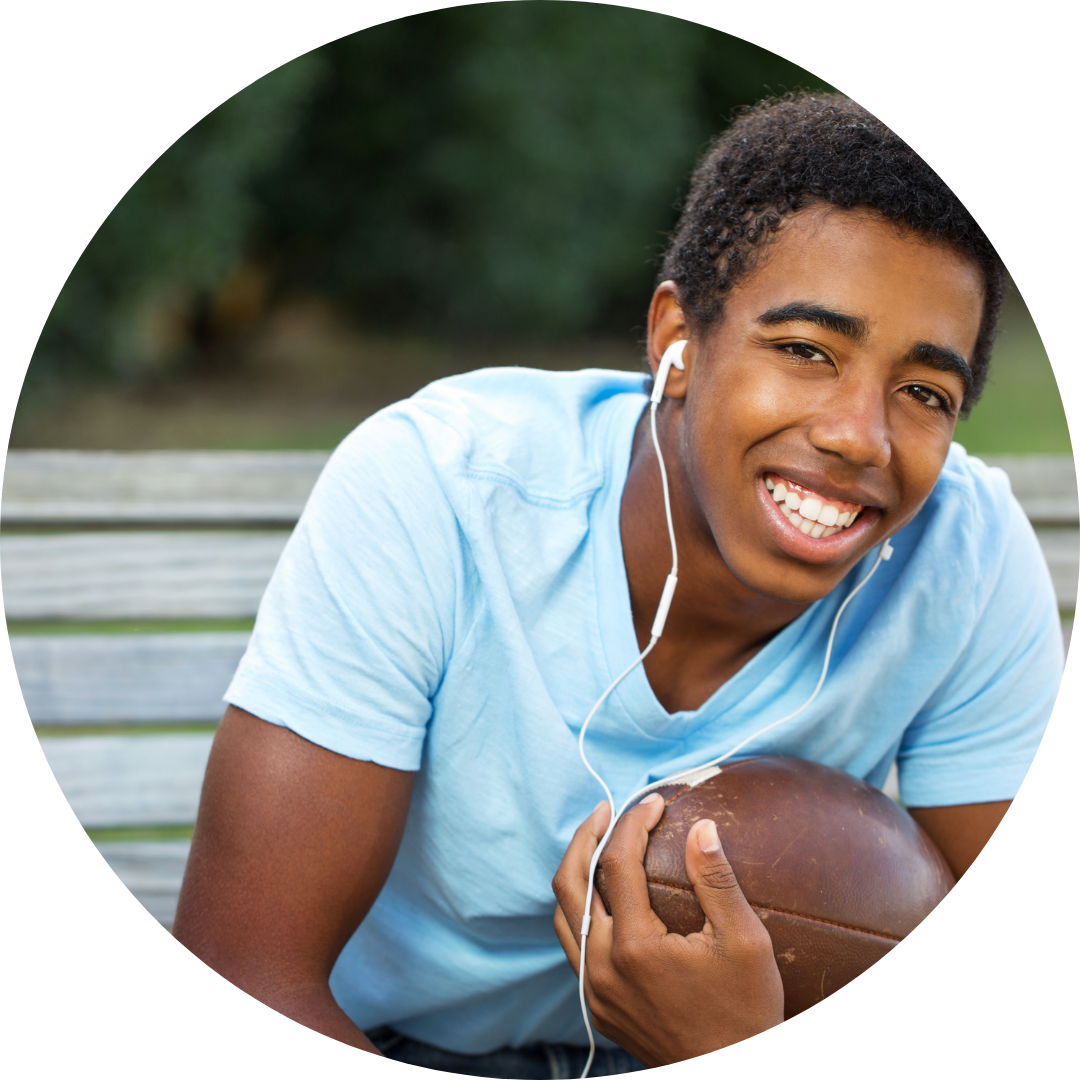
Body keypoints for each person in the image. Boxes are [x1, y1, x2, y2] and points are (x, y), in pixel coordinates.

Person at [172, 93, 1062, 1075]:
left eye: (924, 393)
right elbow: (244, 978)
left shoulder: (964, 559)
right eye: (806, 350)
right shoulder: (443, 491)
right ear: (676, 341)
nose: (861, 434)